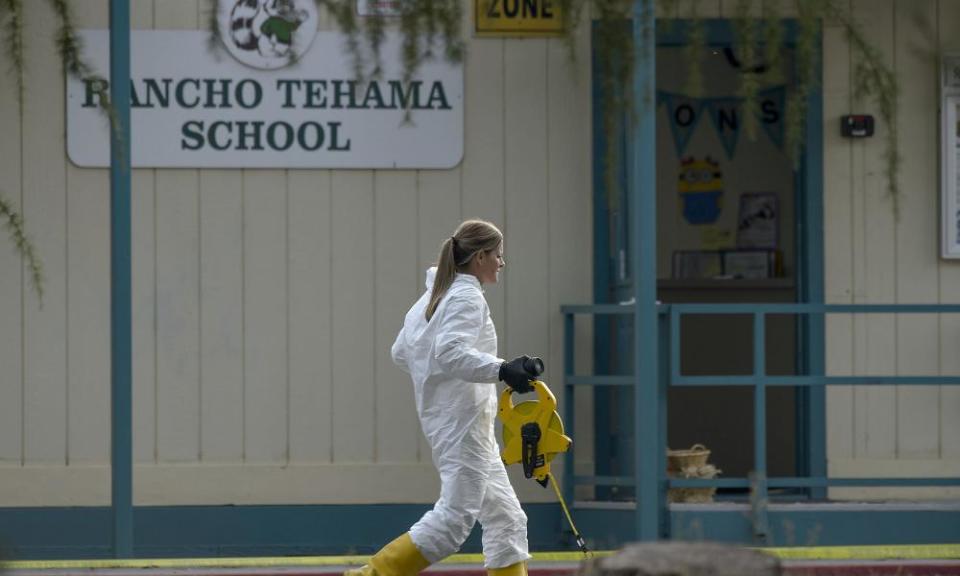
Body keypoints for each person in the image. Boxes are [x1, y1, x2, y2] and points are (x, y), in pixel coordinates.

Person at [345, 219, 542, 576]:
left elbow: (401, 352)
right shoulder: (466, 296)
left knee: (507, 518)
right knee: (453, 521)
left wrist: (437, 386)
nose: (501, 262)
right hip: (463, 424)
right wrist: (503, 369)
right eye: (498, 255)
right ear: (480, 256)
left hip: (455, 422)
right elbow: (449, 353)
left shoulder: (433, 295)